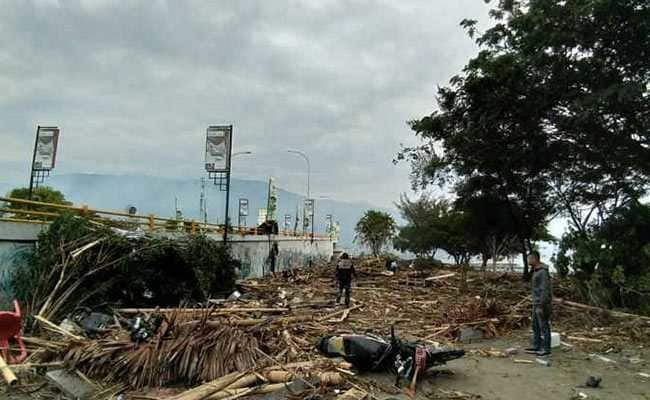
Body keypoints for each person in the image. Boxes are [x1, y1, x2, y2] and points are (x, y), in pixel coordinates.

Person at [525, 250, 553, 356]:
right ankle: (536, 346)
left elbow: (545, 290)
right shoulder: (536, 271)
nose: (528, 260)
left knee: (544, 326)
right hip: (536, 303)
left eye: (529, 258)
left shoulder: (543, 272)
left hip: (542, 304)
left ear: (534, 259)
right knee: (535, 326)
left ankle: (546, 349)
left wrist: (542, 305)